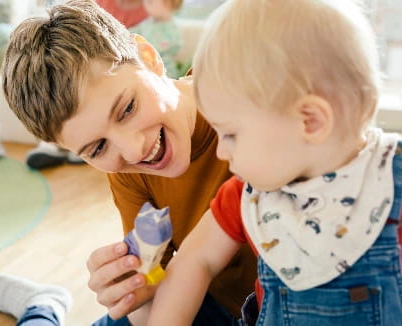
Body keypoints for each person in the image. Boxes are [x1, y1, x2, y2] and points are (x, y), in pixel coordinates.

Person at [0, 0, 256, 325]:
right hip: (210, 308)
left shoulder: (251, 95)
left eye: (127, 108)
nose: (135, 150)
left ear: (150, 59)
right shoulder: (130, 174)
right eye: (97, 148)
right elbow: (156, 297)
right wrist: (131, 290)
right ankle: (41, 309)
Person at [148, 0, 402, 325]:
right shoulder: (247, 196)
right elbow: (195, 261)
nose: (222, 153)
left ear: (309, 121)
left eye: (231, 135)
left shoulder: (390, 181)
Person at [25, 0, 148, 170]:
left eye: (128, 109)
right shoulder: (101, 3)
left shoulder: (148, 9)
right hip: (86, 60)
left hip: (117, 63)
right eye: (98, 147)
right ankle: (62, 147)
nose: (133, 153)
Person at [130, 0, 183, 78]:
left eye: (150, 2)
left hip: (164, 71)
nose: (145, 5)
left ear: (167, 5)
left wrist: (143, 48)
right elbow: (134, 31)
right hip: (145, 65)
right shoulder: (148, 22)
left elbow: (175, 45)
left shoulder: (171, 27)